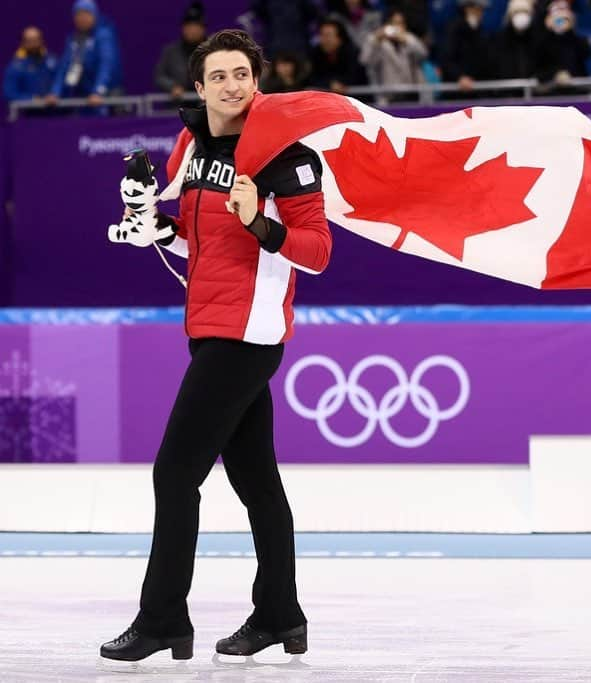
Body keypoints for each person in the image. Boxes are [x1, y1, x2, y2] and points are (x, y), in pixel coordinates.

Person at [100, 28, 331, 662]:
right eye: (218, 77)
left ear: (259, 80)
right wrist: (152, 226)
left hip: (248, 334)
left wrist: (261, 219)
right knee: (257, 481)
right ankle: (282, 615)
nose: (232, 86)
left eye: (242, 74)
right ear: (198, 89)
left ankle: (163, 620)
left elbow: (317, 254)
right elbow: (194, 243)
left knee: (175, 472)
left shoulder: (288, 154)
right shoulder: (191, 142)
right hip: (208, 326)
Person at [45, 0, 123, 108]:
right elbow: (64, 67)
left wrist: (98, 91)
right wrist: (55, 92)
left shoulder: (103, 36)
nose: (82, 19)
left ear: (94, 15)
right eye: (78, 15)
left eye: (86, 14)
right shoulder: (73, 39)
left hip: (104, 97)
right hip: (82, 97)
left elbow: (106, 65)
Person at [359, 10, 428, 102]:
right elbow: (364, 60)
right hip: (387, 97)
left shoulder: (409, 39)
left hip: (411, 94)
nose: (397, 27)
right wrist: (375, 38)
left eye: (400, 23)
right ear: (387, 25)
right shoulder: (379, 42)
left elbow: (423, 54)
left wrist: (406, 40)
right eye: (394, 23)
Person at [154, 1, 207, 99]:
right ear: (183, 29)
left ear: (203, 29)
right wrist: (172, 86)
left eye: (196, 26)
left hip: (207, 104)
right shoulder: (170, 51)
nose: (192, 30)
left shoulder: (212, 51)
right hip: (177, 105)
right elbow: (159, 76)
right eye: (189, 26)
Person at [535, 0, 591, 90]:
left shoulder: (575, 39)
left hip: (576, 89)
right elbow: (539, 68)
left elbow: (586, 53)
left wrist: (571, 30)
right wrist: (556, 75)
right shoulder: (543, 41)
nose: (560, 19)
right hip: (551, 91)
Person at [441, 0, 494, 93]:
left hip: (477, 90)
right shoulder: (453, 29)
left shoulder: (480, 30)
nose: (481, 13)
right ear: (467, 9)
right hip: (456, 91)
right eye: (477, 9)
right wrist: (460, 77)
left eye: (481, 10)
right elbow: (446, 59)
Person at [308, 18, 365, 93]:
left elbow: (354, 76)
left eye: (328, 35)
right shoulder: (316, 53)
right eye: (321, 35)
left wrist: (341, 83)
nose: (324, 40)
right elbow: (312, 78)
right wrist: (329, 84)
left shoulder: (352, 52)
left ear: (340, 39)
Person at [2, 26, 57, 103]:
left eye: (36, 40)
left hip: (55, 111)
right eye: (29, 41)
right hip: (27, 112)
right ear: (23, 42)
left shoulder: (52, 61)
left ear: (42, 40)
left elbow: (60, 83)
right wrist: (32, 98)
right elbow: (9, 93)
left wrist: (55, 94)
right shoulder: (15, 66)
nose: (34, 44)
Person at [491, 0, 538, 80]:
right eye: (516, 12)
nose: (521, 16)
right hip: (508, 89)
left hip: (531, 89)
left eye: (525, 12)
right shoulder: (500, 41)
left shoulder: (537, 38)